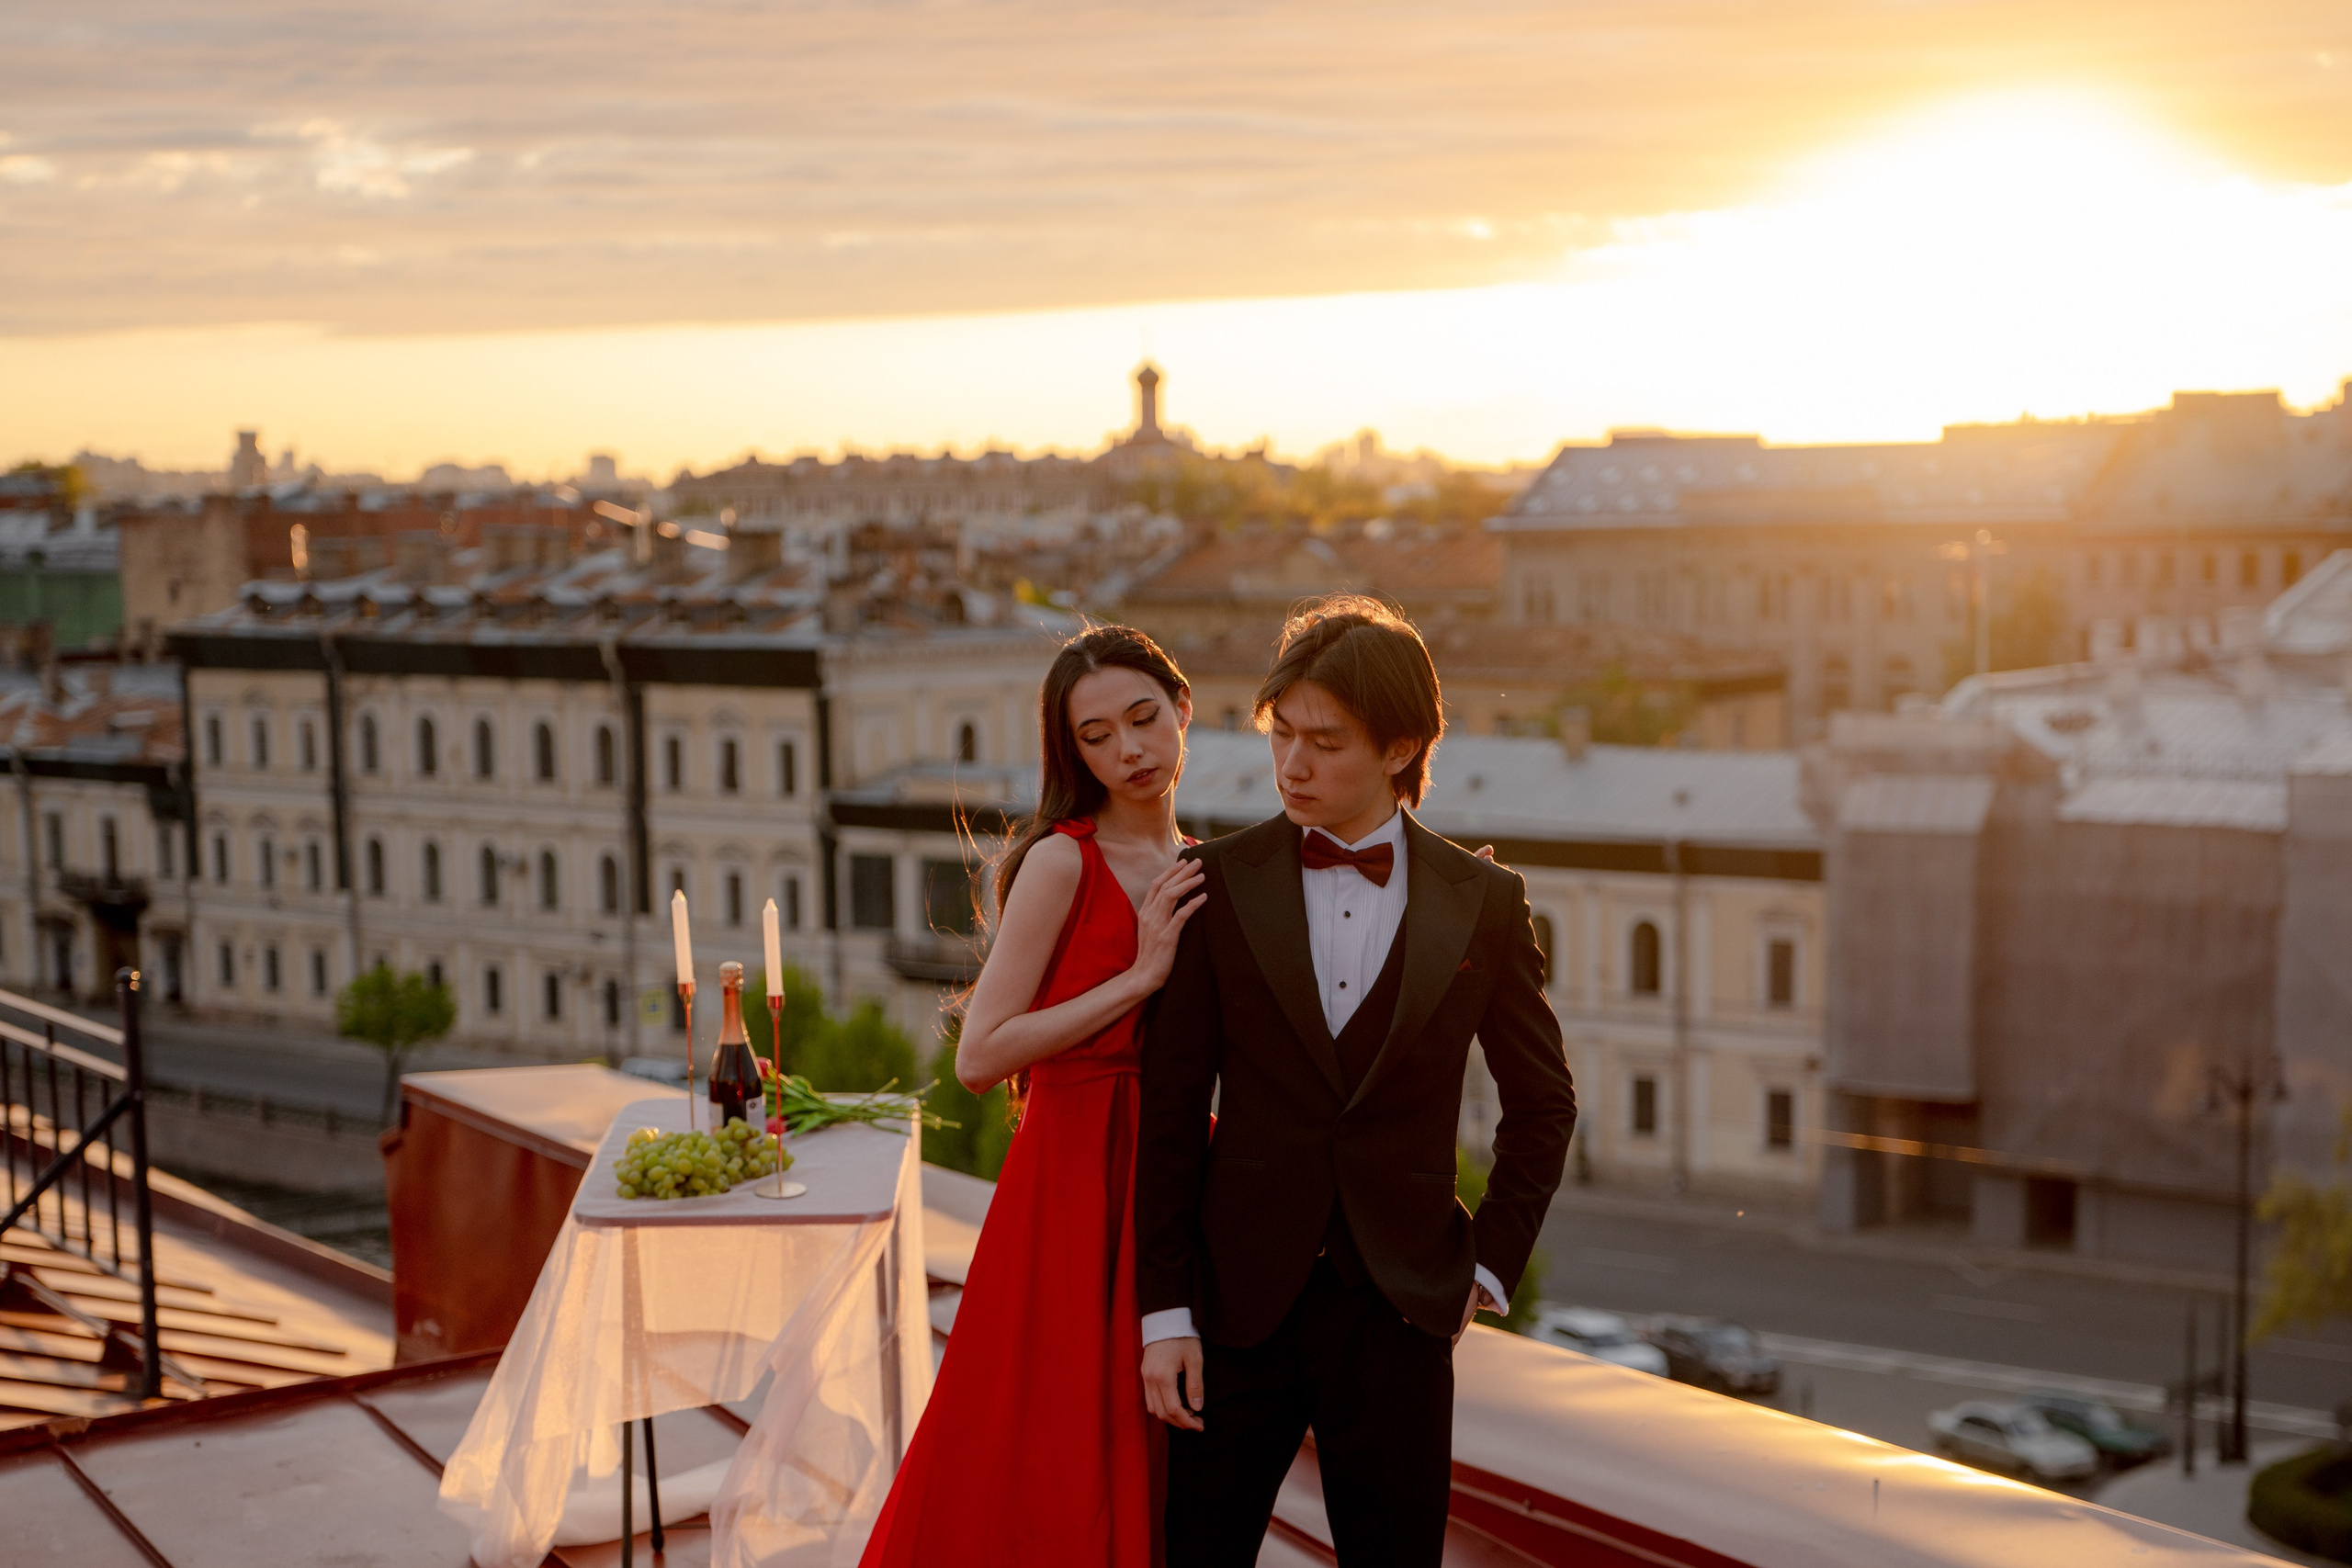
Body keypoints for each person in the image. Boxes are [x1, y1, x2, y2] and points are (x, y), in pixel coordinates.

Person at [1136, 594, 1578, 1567]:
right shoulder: (1214, 883)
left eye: (1325, 743)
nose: (1292, 766)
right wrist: (1161, 1313)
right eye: (1279, 735)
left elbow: (1543, 1103)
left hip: (1402, 1315)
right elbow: (1167, 1115)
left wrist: (1489, 1266)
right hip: (1232, 1311)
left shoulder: (1486, 904)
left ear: (1400, 747)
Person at [860, 624, 1204, 1568]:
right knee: (1044, 1438)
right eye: (1096, 736)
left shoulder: (1204, 866)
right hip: (1067, 1178)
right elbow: (982, 1054)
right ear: (1072, 752)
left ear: (1184, 710)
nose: (1129, 750)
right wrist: (1137, 980)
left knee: (1153, 1439)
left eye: (1143, 719)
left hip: (1169, 1171)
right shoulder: (1061, 860)